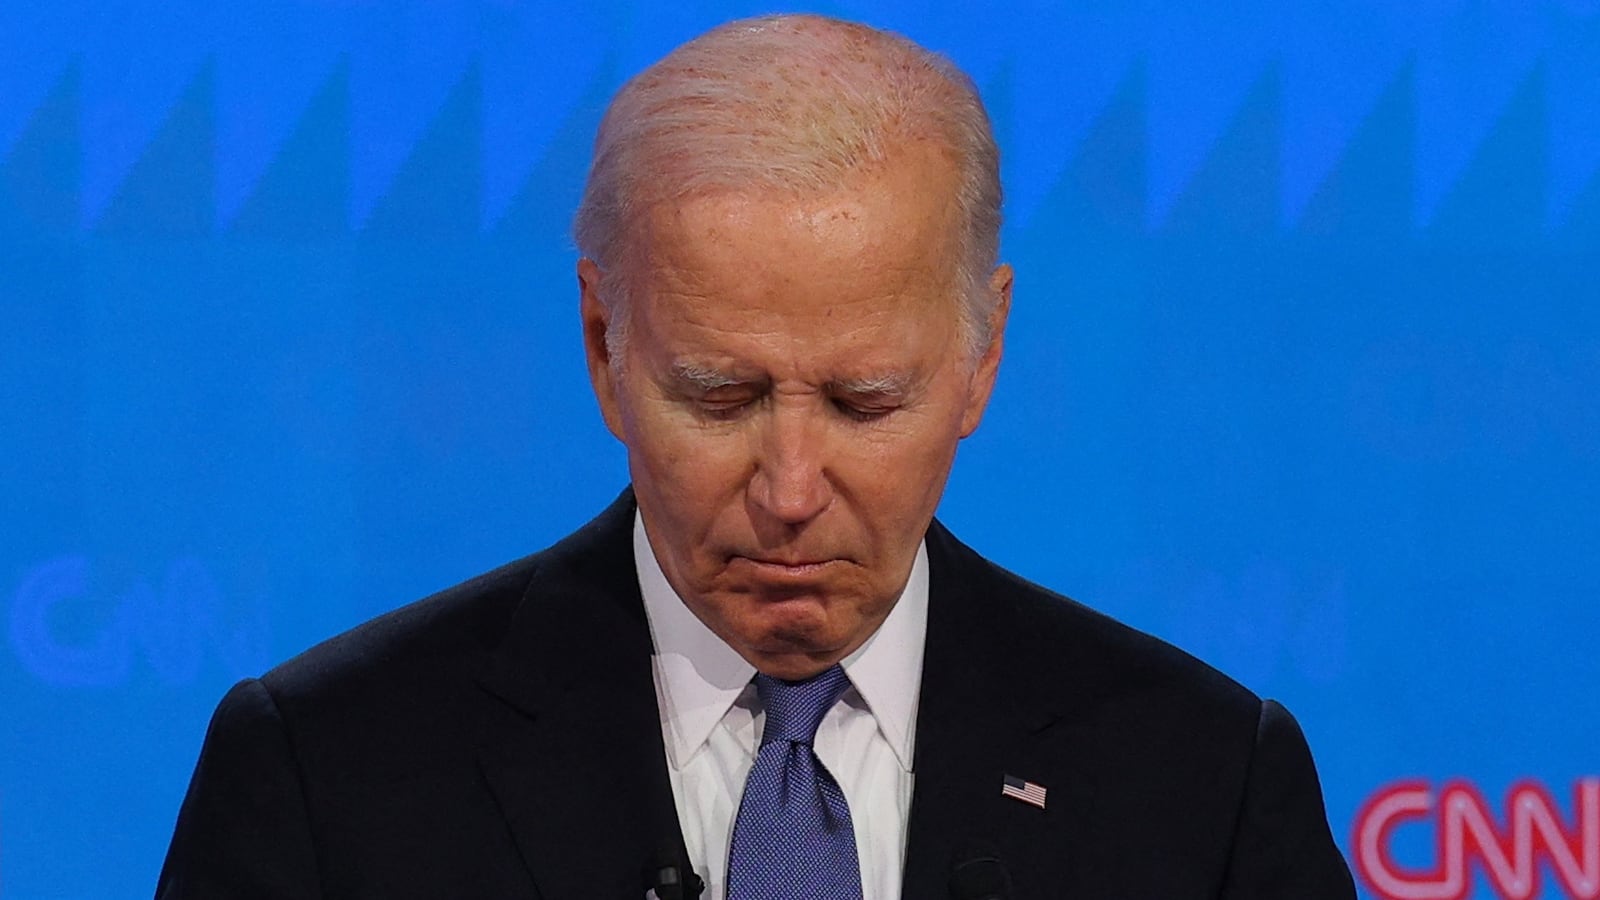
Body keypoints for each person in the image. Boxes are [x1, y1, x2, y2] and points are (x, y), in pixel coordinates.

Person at [158, 13, 1355, 899]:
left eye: (863, 401)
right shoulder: (327, 773)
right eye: (719, 397)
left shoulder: (1200, 787)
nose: (789, 492)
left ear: (982, 359)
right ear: (602, 347)